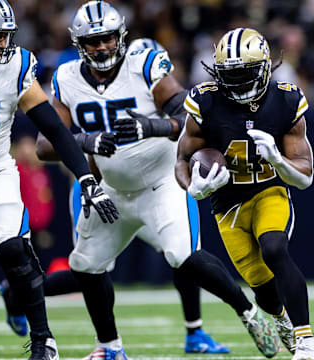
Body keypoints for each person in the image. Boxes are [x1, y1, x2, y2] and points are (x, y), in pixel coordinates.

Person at [36, 2, 283, 359]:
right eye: (92, 41)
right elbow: (45, 144)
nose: (102, 47)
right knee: (85, 265)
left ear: (120, 36)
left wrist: (150, 125)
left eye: (107, 38)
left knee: (182, 254)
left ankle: (249, 312)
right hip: (111, 189)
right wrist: (85, 140)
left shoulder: (143, 62)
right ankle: (110, 348)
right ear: (79, 44)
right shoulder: (67, 77)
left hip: (160, 182)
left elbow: (190, 115)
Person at [0, 37, 231, 354]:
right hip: (100, 190)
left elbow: (184, 120)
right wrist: (91, 147)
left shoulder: (151, 84)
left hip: (152, 188)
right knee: (91, 272)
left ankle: (195, 332)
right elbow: (55, 143)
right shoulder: (89, 84)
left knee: (184, 255)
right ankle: (18, 292)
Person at [0, 1, 118, 359]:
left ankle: (44, 341)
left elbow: (55, 130)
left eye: (5, 35)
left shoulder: (16, 66)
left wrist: (86, 178)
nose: (1, 43)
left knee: (14, 250)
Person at [175, 27, 314, 360]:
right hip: (227, 203)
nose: (236, 82)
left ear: (265, 67)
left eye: (244, 73)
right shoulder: (204, 100)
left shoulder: (286, 98)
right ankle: (279, 319)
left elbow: (305, 176)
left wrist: (280, 162)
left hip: (269, 189)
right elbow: (181, 158)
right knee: (262, 289)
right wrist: (193, 187)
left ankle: (307, 341)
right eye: (229, 74)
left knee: (275, 248)